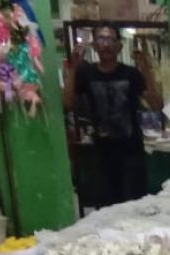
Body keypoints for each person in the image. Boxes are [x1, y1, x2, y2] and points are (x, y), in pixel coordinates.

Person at [63, 25, 162, 207]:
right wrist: (74, 68)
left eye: (111, 40)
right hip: (102, 155)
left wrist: (145, 69)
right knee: (106, 210)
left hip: (132, 154)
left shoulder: (131, 74)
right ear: (94, 45)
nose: (106, 45)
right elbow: (68, 103)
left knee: (135, 207)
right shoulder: (86, 74)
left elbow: (157, 104)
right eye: (101, 39)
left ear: (119, 46)